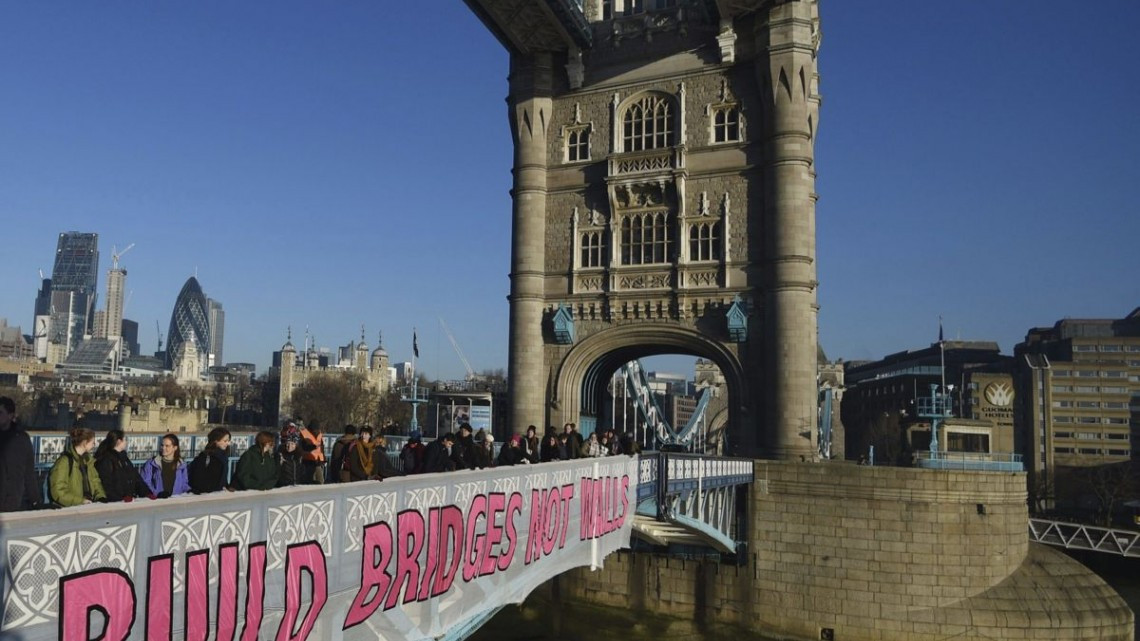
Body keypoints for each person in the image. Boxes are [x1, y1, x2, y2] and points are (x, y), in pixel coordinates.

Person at [0, 395, 42, 511]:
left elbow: (29, 473)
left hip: (14, 502)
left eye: (0, 413)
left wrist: (35, 501)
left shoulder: (22, 439)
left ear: (10, 415)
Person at [49, 427, 106, 507]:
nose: (94, 445)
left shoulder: (88, 460)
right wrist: (80, 501)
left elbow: (95, 481)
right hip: (71, 508)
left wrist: (100, 497)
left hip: (88, 505)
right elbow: (58, 490)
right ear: (85, 443)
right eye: (92, 442)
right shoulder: (64, 461)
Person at [94, 429, 149, 501]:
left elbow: (136, 478)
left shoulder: (124, 458)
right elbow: (106, 484)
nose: (126, 442)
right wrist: (119, 498)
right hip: (116, 502)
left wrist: (147, 493)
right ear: (119, 441)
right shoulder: (106, 460)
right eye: (125, 440)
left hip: (128, 499)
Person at [140, 434, 190, 498]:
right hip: (157, 502)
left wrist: (190, 490)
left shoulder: (182, 465)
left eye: (167, 446)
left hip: (175, 503)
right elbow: (145, 483)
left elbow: (184, 485)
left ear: (175, 448)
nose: (163, 448)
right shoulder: (151, 464)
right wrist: (157, 494)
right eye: (162, 445)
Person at [188, 427, 232, 494]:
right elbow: (199, 478)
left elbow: (222, 478)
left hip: (217, 494)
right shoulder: (205, 457)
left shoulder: (223, 456)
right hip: (206, 495)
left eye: (228, 441)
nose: (228, 443)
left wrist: (226, 486)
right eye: (225, 441)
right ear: (216, 441)